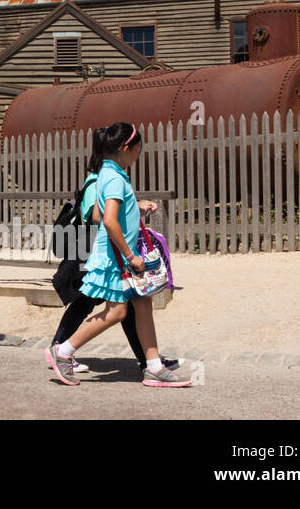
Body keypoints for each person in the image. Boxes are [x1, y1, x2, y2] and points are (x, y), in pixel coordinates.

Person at [44, 123, 192, 388]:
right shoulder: (113, 178)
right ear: (126, 149)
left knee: (142, 304)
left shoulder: (111, 174)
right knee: (116, 312)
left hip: (118, 255)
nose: (138, 155)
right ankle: (63, 350)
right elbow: (109, 220)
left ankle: (154, 366)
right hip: (117, 257)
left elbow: (114, 216)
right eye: (138, 150)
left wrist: (135, 213)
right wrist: (129, 254)